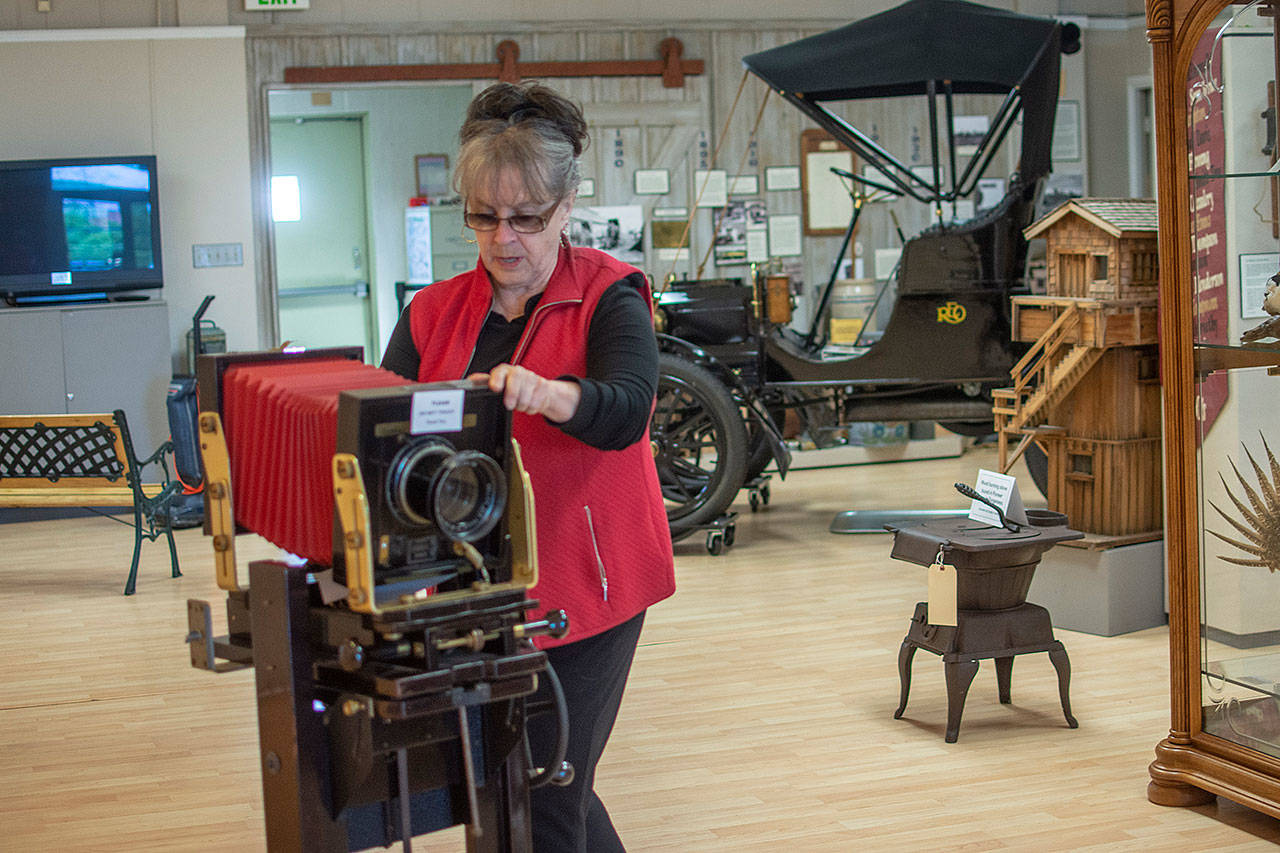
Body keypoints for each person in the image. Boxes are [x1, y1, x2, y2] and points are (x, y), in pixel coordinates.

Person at [380, 80, 675, 852]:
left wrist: (549, 394)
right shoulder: (430, 313)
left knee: (539, 794)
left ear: (567, 206)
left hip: (588, 588)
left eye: (526, 218)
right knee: (532, 779)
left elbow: (627, 411)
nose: (503, 238)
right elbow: (383, 431)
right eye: (484, 216)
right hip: (476, 590)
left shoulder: (612, 293)